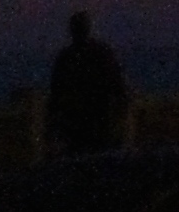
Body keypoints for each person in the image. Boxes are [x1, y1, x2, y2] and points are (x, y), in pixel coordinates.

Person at [40, 12, 128, 159]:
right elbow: (118, 86)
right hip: (94, 122)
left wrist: (52, 124)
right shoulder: (100, 53)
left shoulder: (68, 57)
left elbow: (56, 93)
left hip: (85, 122)